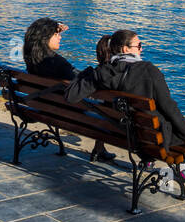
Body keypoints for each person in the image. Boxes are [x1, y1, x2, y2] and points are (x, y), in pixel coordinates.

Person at [65, 29, 185, 182]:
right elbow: (169, 107)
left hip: (117, 132)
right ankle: (180, 170)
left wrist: (88, 72)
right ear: (125, 49)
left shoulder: (103, 71)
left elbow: (71, 96)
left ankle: (148, 160)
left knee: (147, 122)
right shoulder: (148, 70)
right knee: (167, 121)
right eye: (139, 45)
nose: (142, 49)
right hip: (150, 138)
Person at [23, 17, 116, 162]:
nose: (60, 37)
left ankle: (100, 148)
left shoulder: (32, 58)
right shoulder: (56, 62)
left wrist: (54, 26)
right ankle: (99, 148)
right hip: (68, 111)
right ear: (45, 37)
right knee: (108, 102)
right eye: (56, 34)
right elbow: (80, 83)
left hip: (44, 106)